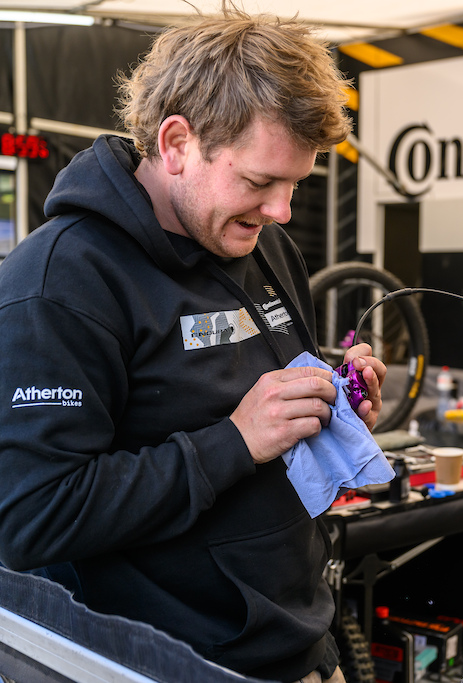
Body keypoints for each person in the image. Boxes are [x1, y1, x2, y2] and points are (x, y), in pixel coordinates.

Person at [0, 7, 384, 683]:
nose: (282, 211)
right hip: (163, 664)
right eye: (260, 181)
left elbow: (247, 389)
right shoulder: (61, 280)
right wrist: (234, 440)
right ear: (177, 142)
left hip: (299, 643)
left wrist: (328, 397)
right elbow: (33, 516)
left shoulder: (267, 247)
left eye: (296, 183)